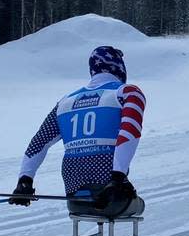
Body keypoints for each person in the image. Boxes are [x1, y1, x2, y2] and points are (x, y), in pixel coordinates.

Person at [12, 46, 145, 217]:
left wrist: (25, 179)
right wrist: (117, 178)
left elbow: (39, 142)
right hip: (111, 196)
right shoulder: (127, 93)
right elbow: (129, 132)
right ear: (118, 66)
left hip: (74, 200)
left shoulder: (65, 102)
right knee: (140, 206)